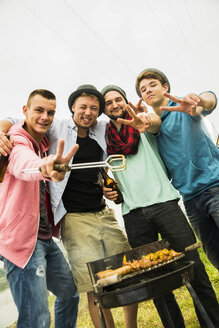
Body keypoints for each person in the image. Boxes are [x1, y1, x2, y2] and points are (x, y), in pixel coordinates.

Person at [0, 85, 138, 328]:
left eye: (94, 108)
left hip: (73, 225)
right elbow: (22, 152)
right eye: (82, 106)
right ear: (72, 107)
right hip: (45, 230)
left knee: (81, 289)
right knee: (67, 300)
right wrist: (45, 166)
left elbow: (116, 132)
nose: (88, 112)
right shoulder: (38, 135)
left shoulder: (97, 130)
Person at [101, 84, 219, 328]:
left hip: (165, 204)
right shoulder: (105, 139)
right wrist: (109, 189)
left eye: (118, 99)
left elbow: (154, 123)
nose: (114, 104)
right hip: (132, 215)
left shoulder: (143, 122)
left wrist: (147, 120)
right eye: (108, 102)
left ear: (126, 101)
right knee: (156, 285)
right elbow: (107, 175)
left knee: (194, 269)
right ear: (104, 109)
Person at [0, 89, 79, 328]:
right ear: (25, 111)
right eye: (39, 110)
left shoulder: (43, 143)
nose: (45, 116)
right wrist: (43, 167)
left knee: (69, 294)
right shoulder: (15, 141)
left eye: (50, 112)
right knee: (37, 319)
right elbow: (22, 163)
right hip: (22, 241)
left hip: (44, 238)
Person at [135, 68, 219, 271]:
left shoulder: (184, 105)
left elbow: (209, 100)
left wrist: (200, 101)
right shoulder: (149, 126)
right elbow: (155, 127)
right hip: (190, 200)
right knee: (214, 256)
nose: (147, 90)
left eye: (152, 85)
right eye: (143, 89)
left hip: (214, 188)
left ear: (165, 86)